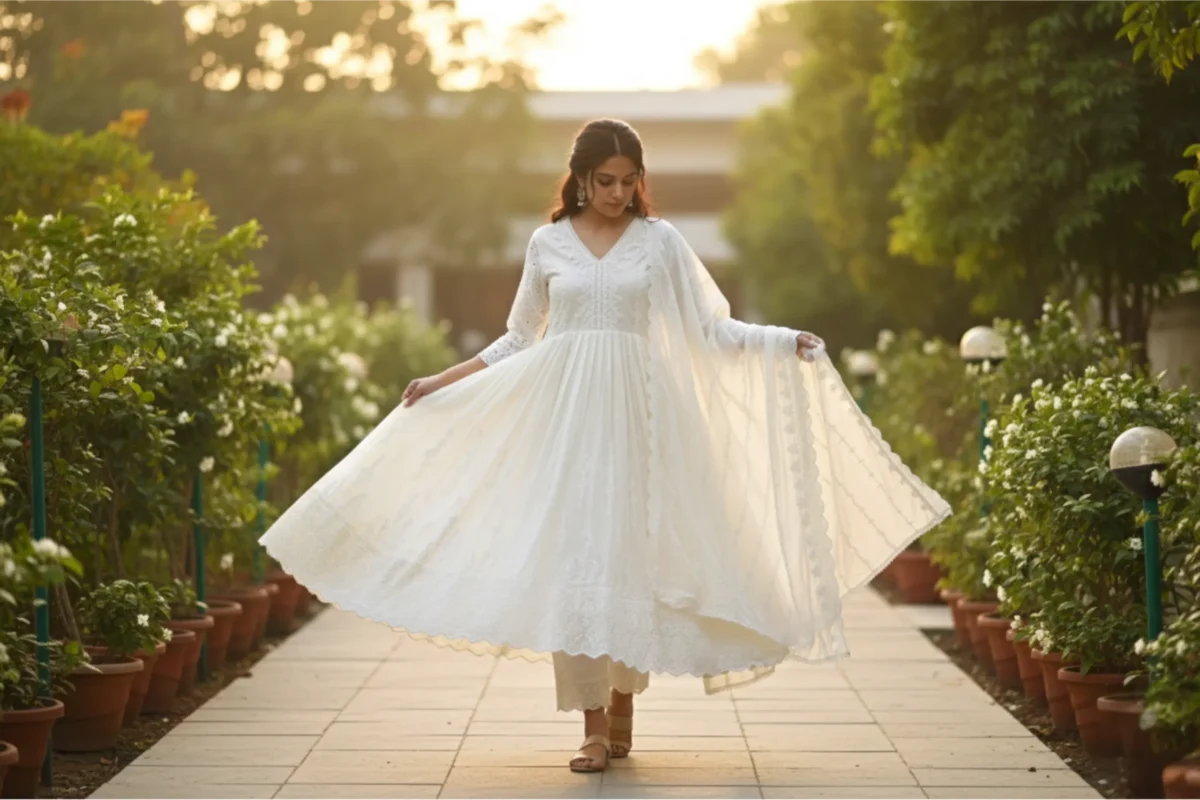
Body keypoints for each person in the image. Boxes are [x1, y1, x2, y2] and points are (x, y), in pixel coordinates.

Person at [260, 119, 950, 773]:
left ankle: (623, 705)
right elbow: (518, 337)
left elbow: (711, 328)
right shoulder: (547, 244)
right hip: (562, 426)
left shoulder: (660, 242)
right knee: (577, 563)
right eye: (606, 180)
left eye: (630, 179)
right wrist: (443, 380)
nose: (619, 193)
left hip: (640, 422)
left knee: (631, 562)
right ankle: (592, 726)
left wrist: (780, 341)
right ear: (581, 178)